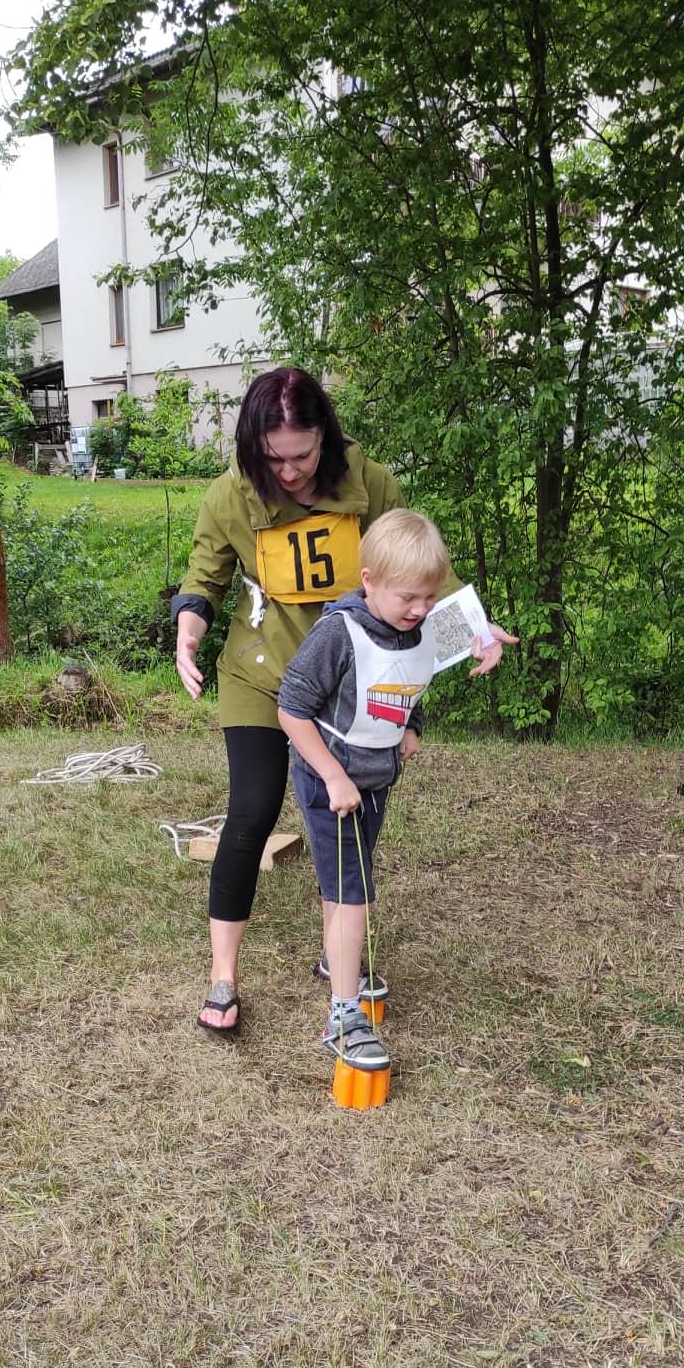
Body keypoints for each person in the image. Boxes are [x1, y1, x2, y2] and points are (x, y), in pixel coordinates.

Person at [173, 366, 516, 1035]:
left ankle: (339, 962)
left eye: (301, 454)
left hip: (352, 682)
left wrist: (473, 628)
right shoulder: (229, 495)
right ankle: (222, 976)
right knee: (250, 811)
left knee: (350, 827)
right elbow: (204, 574)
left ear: (325, 437)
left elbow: (415, 575)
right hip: (263, 672)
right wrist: (189, 629)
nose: (290, 470)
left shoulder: (372, 484)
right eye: (273, 458)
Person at [278, 510, 450, 1070]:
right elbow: (292, 710)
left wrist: (412, 727)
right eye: (408, 597)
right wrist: (332, 776)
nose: (420, 609)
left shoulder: (413, 629)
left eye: (429, 597)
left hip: (373, 782)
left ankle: (337, 963)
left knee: (343, 882)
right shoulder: (338, 633)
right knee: (355, 893)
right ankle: (344, 1015)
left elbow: (408, 679)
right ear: (369, 580)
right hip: (332, 781)